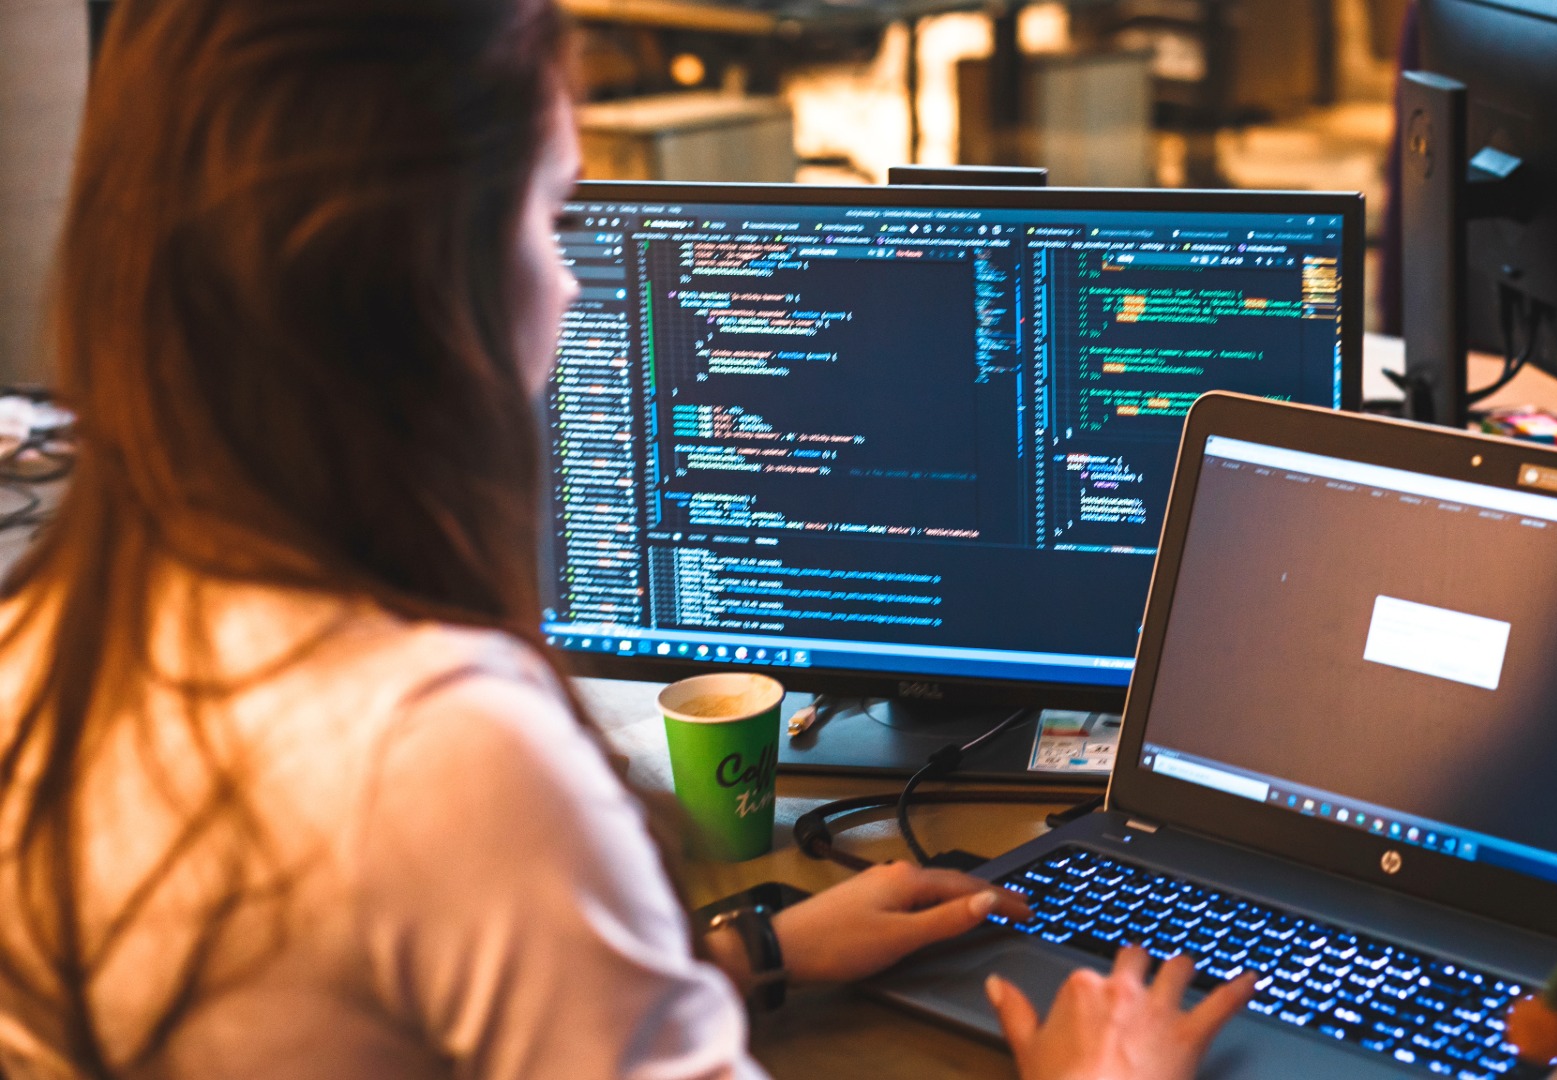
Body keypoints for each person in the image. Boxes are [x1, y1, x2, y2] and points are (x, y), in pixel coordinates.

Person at [0, 1, 1255, 1078]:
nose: (575, 287)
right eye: (551, 220)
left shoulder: (43, 640)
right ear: (430, 285)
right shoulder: (441, 754)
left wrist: (753, 951)